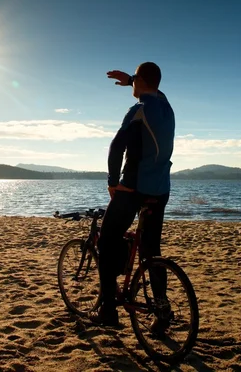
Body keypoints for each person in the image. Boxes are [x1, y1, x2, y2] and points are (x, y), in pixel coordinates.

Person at [90, 62, 175, 328]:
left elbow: (116, 147)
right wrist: (131, 81)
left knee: (106, 240)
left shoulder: (137, 111)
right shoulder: (166, 108)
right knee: (151, 251)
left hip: (134, 189)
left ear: (141, 79)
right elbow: (154, 90)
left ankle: (108, 311)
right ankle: (161, 311)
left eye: (135, 78)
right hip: (160, 190)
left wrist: (113, 182)